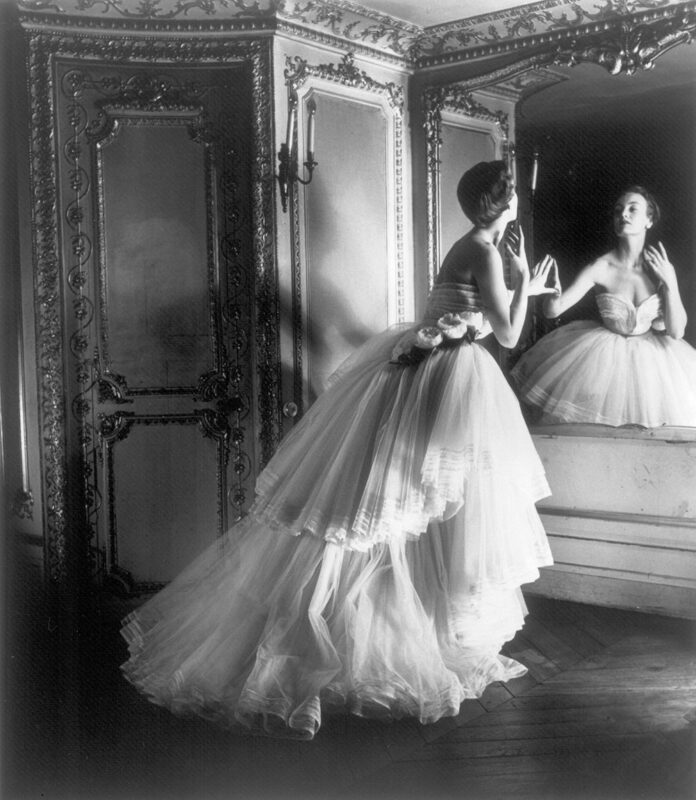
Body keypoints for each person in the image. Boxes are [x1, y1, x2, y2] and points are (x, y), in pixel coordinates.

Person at [120, 161, 555, 740]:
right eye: (514, 198)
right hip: (445, 380)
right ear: (506, 205)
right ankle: (371, 640)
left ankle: (413, 629)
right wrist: (525, 280)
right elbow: (505, 333)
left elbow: (470, 321)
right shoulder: (487, 251)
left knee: (405, 510)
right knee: (401, 511)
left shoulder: (471, 244)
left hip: (432, 375)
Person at [512, 186, 696, 427]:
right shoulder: (600, 267)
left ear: (649, 220)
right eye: (618, 211)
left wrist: (670, 281)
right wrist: (551, 291)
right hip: (604, 363)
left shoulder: (659, 268)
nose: (623, 215)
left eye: (633, 209)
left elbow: (676, 331)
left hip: (654, 366)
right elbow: (553, 311)